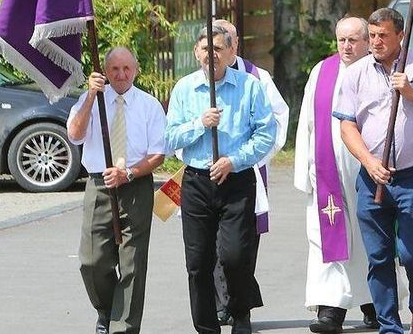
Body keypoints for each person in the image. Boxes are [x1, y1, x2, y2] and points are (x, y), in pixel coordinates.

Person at [335, 8, 413, 334]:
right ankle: (389, 325)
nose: (375, 42)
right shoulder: (356, 73)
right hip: (372, 175)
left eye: (383, 36)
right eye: (372, 36)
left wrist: (412, 93)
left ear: (400, 35)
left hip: (412, 175)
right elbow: (347, 125)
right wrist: (369, 162)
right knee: (378, 256)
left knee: (412, 251)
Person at [165, 24, 277, 334]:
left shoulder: (249, 86)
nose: (211, 54)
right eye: (205, 48)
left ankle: (240, 313)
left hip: (236, 179)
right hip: (197, 182)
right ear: (196, 53)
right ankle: (207, 326)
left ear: (230, 52)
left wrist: (234, 160)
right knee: (198, 262)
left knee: (234, 255)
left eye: (218, 48)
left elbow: (266, 133)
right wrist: (199, 124)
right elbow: (170, 136)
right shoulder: (184, 89)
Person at [68, 47, 166, 334]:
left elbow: (158, 154)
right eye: (114, 70)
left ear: (136, 70)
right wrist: (89, 97)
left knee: (133, 262)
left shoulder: (149, 105)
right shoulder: (92, 101)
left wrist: (130, 173)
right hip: (99, 184)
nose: (121, 75)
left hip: (135, 183)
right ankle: (106, 309)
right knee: (91, 260)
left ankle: (124, 326)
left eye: (126, 69)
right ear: (104, 72)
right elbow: (74, 135)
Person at [292, 17, 380, 333]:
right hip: (328, 175)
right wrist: (305, 168)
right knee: (326, 238)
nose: (346, 46)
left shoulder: (379, 71)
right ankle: (331, 309)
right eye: (341, 40)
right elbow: (307, 124)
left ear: (368, 41)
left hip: (368, 173)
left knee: (370, 239)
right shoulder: (322, 72)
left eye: (353, 40)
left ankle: (375, 303)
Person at [211, 19, 290, 327]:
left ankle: (237, 300)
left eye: (222, 45)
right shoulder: (199, 79)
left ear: (235, 46)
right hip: (209, 172)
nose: (215, 53)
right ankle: (221, 303)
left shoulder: (258, 78)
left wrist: (255, 157)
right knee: (211, 242)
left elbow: (277, 119)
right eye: (211, 46)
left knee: (241, 243)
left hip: (247, 170)